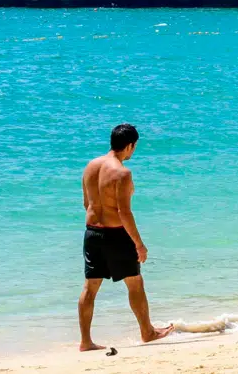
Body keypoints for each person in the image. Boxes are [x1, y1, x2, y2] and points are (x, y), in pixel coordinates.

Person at [78, 123, 173, 351]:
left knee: (90, 288)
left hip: (92, 233)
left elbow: (86, 203)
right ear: (130, 145)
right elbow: (124, 212)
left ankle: (86, 342)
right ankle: (147, 332)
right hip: (116, 235)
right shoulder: (122, 173)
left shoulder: (90, 166)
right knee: (135, 284)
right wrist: (139, 244)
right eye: (135, 147)